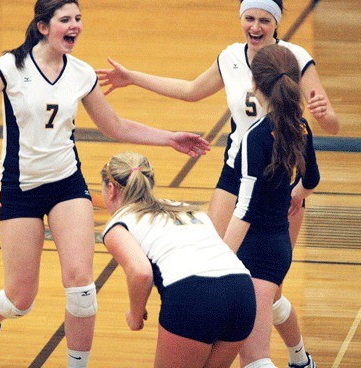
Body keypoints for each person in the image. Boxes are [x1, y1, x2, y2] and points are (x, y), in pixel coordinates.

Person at [0, 0, 210, 368]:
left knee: (82, 288)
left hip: (66, 186)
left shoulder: (81, 73)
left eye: (78, 19)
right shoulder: (9, 67)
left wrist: (169, 138)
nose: (75, 27)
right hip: (19, 189)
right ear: (43, 27)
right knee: (20, 299)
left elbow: (114, 125)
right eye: (65, 20)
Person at [96, 0, 337, 368]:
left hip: (278, 183)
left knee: (268, 290)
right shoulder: (230, 57)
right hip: (236, 174)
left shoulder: (294, 58)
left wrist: (326, 116)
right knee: (225, 273)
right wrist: (133, 78)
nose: (255, 27)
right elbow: (192, 90)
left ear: (276, 23)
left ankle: (297, 355)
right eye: (249, 18)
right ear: (241, 18)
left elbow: (329, 125)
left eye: (264, 20)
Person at [101, 152, 256, 368]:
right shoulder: (187, 208)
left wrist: (135, 316)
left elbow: (141, 273)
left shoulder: (119, 222)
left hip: (194, 297)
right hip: (242, 292)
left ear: (111, 189)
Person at [222, 44, 320, 368]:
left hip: (257, 251)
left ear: (254, 83)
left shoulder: (256, 136)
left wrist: (219, 260)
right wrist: (293, 195)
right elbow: (312, 180)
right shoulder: (299, 125)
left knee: (254, 359)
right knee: (270, 313)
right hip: (278, 245)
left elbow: (246, 206)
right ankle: (302, 362)